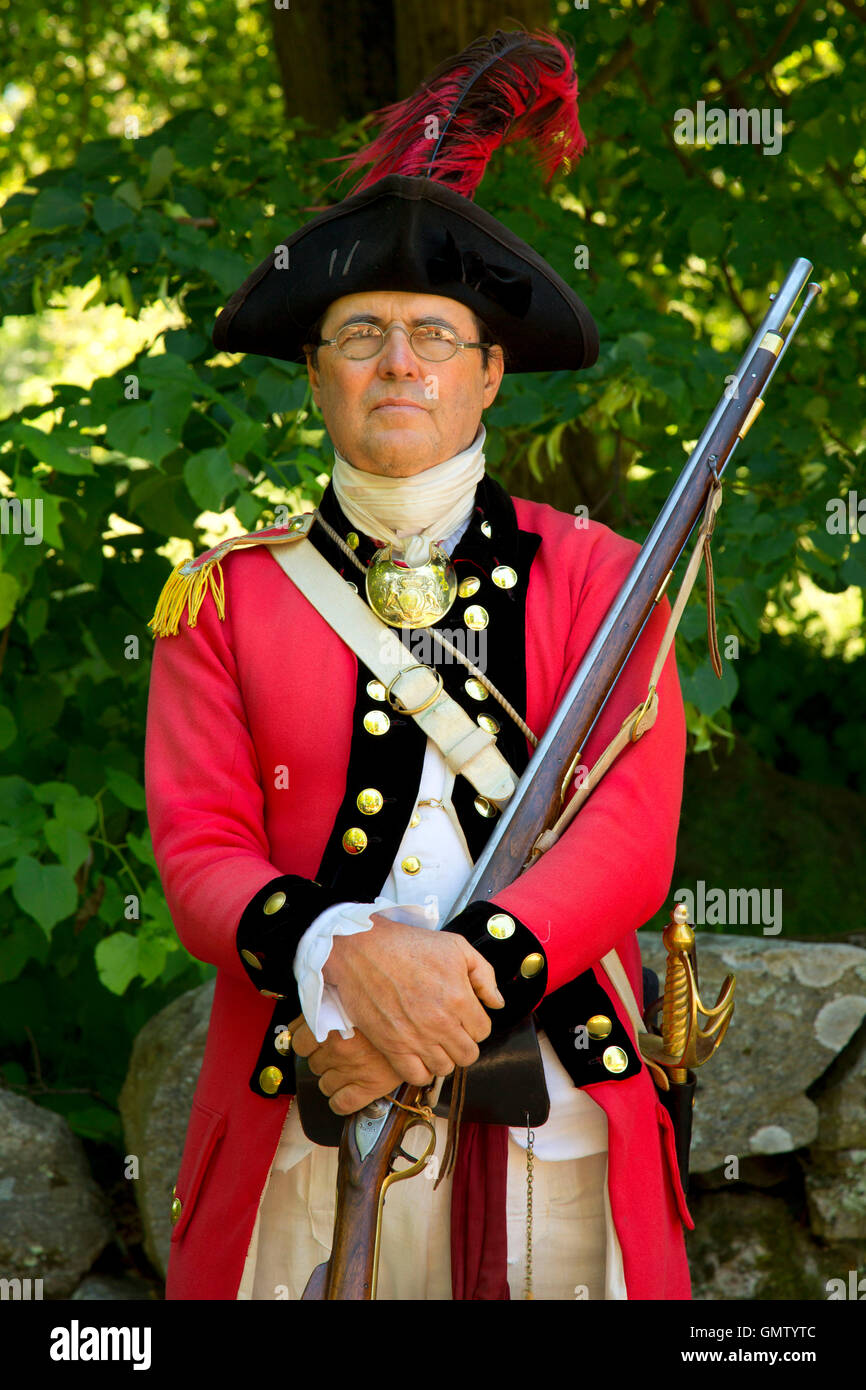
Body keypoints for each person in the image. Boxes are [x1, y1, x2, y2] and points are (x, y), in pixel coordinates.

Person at [144, 29, 693, 1301]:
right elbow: (199, 850)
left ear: (490, 373)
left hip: (553, 1094)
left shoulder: (603, 578)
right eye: (363, 334)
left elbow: (628, 834)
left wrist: (453, 988)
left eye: (435, 336)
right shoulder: (222, 597)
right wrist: (342, 953)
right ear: (314, 374)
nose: (400, 363)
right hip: (308, 1087)